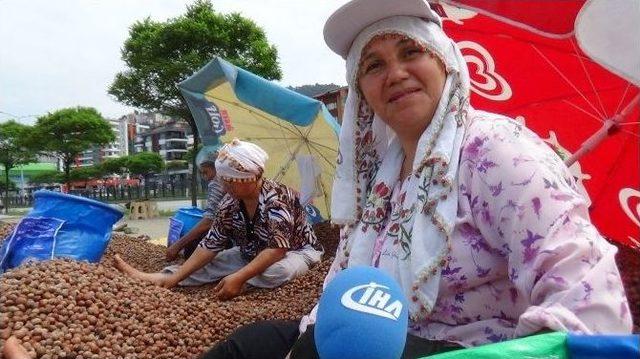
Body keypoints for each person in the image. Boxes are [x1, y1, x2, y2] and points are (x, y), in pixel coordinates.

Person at [202, 0, 632, 358]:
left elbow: (584, 289)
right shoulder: (384, 174)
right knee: (247, 347)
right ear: (363, 91)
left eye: (411, 52)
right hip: (376, 330)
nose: (395, 73)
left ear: (444, 62)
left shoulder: (496, 150)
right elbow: (347, 276)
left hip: (462, 349)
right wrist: (311, 333)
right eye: (374, 65)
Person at [115, 139, 323, 300]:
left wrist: (239, 277)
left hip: (298, 252)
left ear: (251, 178)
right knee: (211, 262)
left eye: (231, 182)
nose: (225, 188)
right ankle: (165, 277)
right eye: (224, 182)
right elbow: (210, 244)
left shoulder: (278, 198)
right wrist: (175, 279)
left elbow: (277, 249)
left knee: (278, 271)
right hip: (250, 252)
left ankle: (242, 280)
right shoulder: (230, 203)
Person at [166, 151, 225, 260]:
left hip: (228, 239)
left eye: (206, 172)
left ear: (216, 168)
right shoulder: (224, 180)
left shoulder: (217, 182)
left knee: (193, 242)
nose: (205, 178)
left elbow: (209, 221)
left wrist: (177, 246)